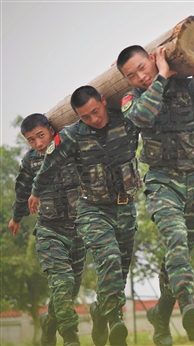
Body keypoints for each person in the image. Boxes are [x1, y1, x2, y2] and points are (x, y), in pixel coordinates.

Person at [116, 45, 194, 344]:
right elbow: (142, 119)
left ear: (152, 58)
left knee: (179, 252)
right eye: (131, 75)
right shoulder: (131, 99)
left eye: (142, 68)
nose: (140, 77)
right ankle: (188, 302)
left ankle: (160, 315)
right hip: (162, 181)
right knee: (174, 239)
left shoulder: (190, 87)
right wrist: (159, 76)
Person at [28, 86, 142, 346]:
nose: (94, 119)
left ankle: (101, 312)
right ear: (78, 117)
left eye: (96, 111)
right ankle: (115, 320)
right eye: (86, 116)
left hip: (125, 207)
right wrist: (35, 192)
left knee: (120, 271)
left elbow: (151, 112)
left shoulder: (127, 119)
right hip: (93, 209)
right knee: (109, 259)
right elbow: (49, 164)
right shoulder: (71, 135)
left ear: (103, 101)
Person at [9, 113, 85, 346]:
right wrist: (17, 217)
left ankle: (50, 322)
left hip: (78, 229)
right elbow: (22, 189)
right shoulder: (31, 160)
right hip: (49, 230)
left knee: (69, 290)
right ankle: (71, 336)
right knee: (61, 282)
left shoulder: (71, 146)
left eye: (40, 136)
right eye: (31, 140)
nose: (38, 143)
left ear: (52, 130)